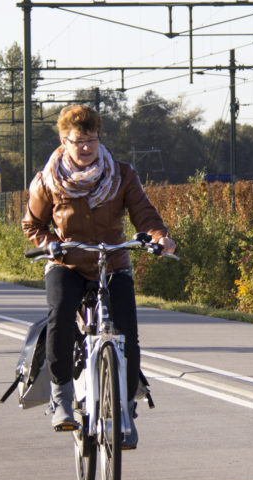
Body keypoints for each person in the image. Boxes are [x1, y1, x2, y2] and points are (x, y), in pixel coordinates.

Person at [22, 104, 175, 448]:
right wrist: (50, 245)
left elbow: (143, 213)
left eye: (92, 139)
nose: (86, 147)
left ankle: (125, 410)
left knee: (127, 335)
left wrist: (158, 236)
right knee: (60, 315)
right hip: (68, 263)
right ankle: (61, 398)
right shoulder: (49, 179)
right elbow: (33, 224)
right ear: (64, 141)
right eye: (78, 141)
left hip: (113, 262)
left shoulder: (121, 174)